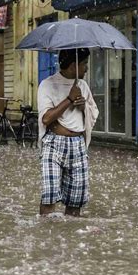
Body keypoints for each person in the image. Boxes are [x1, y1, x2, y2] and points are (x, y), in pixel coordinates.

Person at [37, 48, 99, 217]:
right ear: (73, 65)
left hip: (78, 147)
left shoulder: (83, 86)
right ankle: (46, 238)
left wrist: (82, 106)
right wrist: (69, 99)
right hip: (54, 145)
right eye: (84, 64)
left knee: (75, 201)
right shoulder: (47, 85)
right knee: (49, 197)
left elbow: (93, 113)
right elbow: (46, 118)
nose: (86, 68)